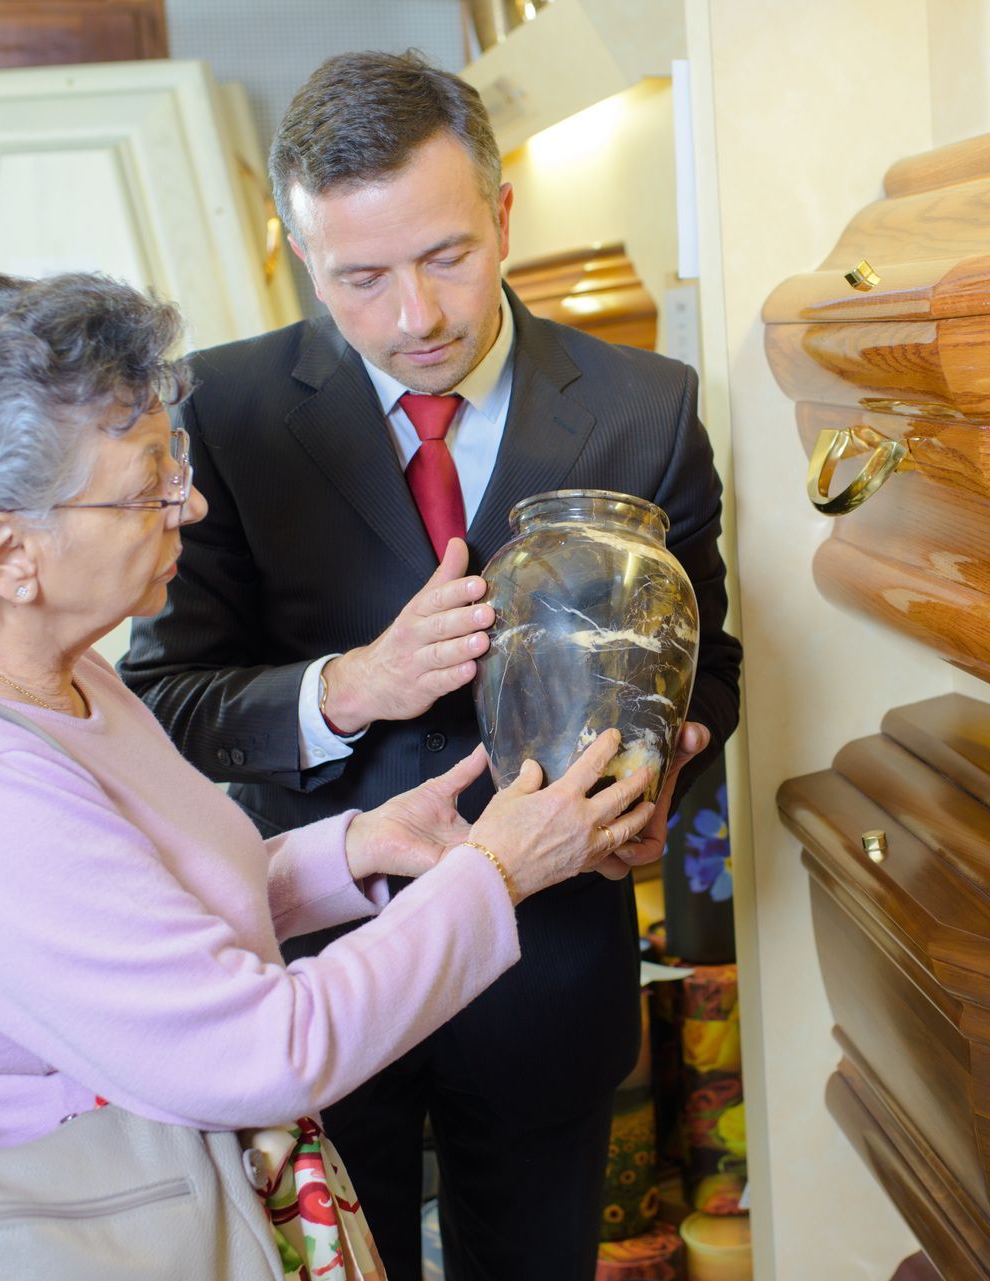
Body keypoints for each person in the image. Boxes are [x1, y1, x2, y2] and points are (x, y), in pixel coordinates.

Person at [0, 272, 657, 1272]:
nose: (187, 501)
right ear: (7, 551)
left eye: (176, 462)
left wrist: (353, 850)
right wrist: (493, 874)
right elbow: (259, 1052)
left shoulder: (35, 672)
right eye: (146, 481)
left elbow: (142, 922)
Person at [118, 50, 743, 1281]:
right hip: (316, 985)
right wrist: (347, 688)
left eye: (448, 255)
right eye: (361, 278)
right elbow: (163, 700)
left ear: (505, 216)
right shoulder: (221, 414)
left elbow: (708, 665)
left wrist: (660, 782)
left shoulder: (646, 406)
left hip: (550, 962)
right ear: (302, 256)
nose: (417, 316)